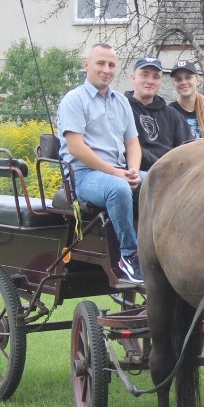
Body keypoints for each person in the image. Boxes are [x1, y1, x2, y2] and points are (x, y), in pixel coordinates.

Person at [56, 42, 144, 285]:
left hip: (119, 171)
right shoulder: (73, 100)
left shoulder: (121, 102)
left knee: (160, 182)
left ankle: (157, 248)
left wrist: (134, 168)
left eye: (111, 65)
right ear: (86, 65)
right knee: (118, 189)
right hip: (83, 176)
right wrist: (117, 173)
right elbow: (76, 148)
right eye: (100, 63)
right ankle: (129, 254)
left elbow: (133, 144)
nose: (106, 69)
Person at [124, 56, 192, 171]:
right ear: (133, 77)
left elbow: (188, 151)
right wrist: (158, 165)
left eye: (156, 77)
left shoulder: (173, 115)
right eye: (144, 75)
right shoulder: (121, 108)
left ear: (160, 81)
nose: (150, 81)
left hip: (171, 174)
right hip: (137, 173)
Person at [169, 59, 204, 139]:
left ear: (198, 80)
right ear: (173, 83)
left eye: (188, 77)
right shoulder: (169, 113)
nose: (183, 82)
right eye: (178, 79)